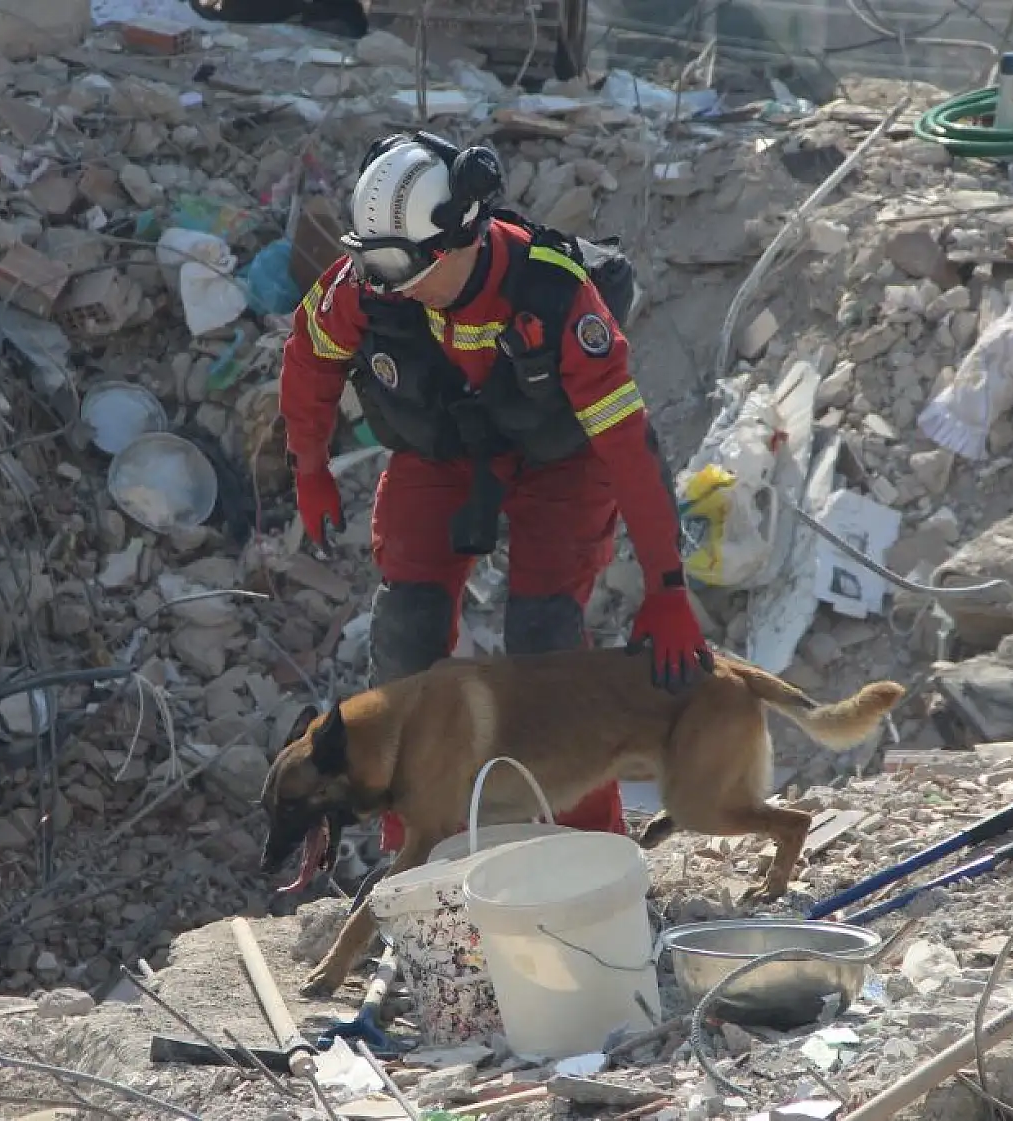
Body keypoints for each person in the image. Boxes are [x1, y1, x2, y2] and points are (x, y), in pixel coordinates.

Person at [278, 130, 712, 852]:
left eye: (406, 268)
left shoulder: (558, 297)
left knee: (545, 647)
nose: (391, 287)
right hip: (441, 455)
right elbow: (308, 361)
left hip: (560, 462)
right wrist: (310, 468)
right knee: (405, 636)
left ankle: (589, 845)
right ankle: (414, 848)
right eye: (375, 265)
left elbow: (630, 451)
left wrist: (667, 587)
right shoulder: (367, 284)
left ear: (464, 236)